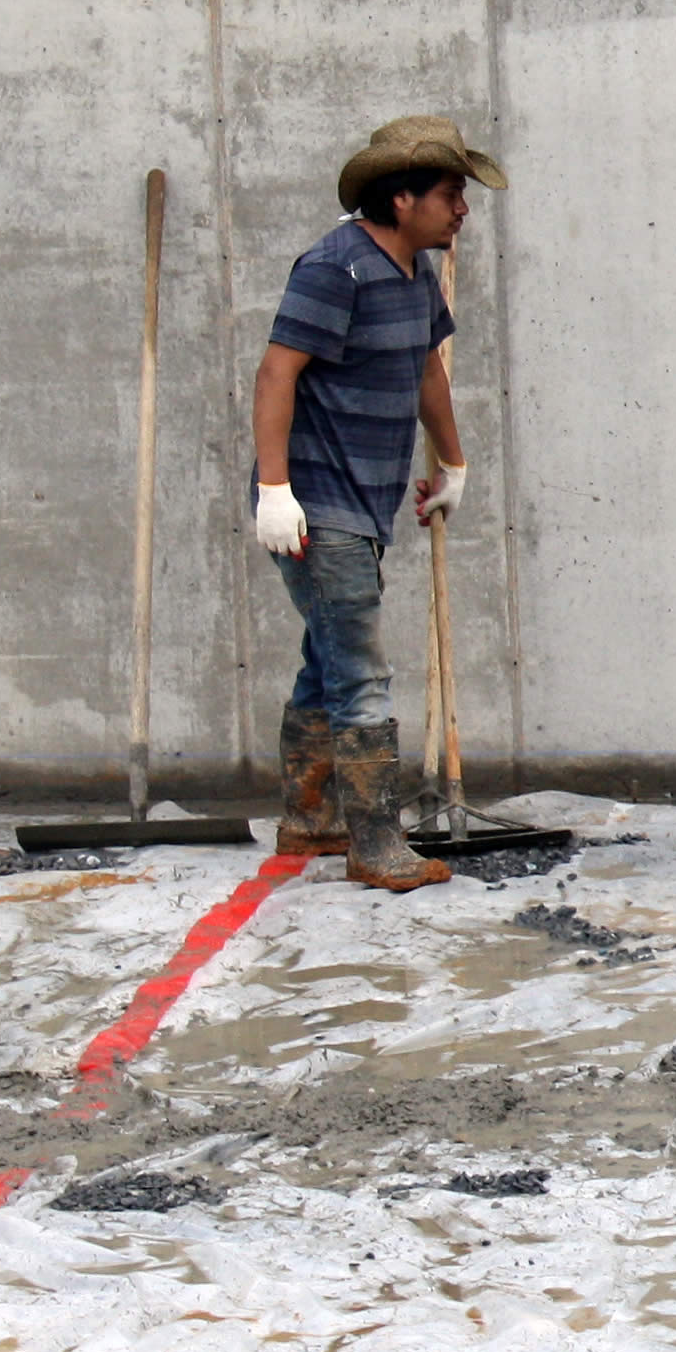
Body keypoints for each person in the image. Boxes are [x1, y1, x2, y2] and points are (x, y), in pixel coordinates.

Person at [251, 115, 501, 894]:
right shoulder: (336, 269)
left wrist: (453, 463)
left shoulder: (412, 274)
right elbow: (276, 374)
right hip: (317, 502)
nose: (462, 209)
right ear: (402, 199)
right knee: (358, 671)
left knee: (325, 657)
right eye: (450, 194)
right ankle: (375, 842)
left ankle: (311, 816)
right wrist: (273, 489)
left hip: (368, 499)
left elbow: (428, 370)